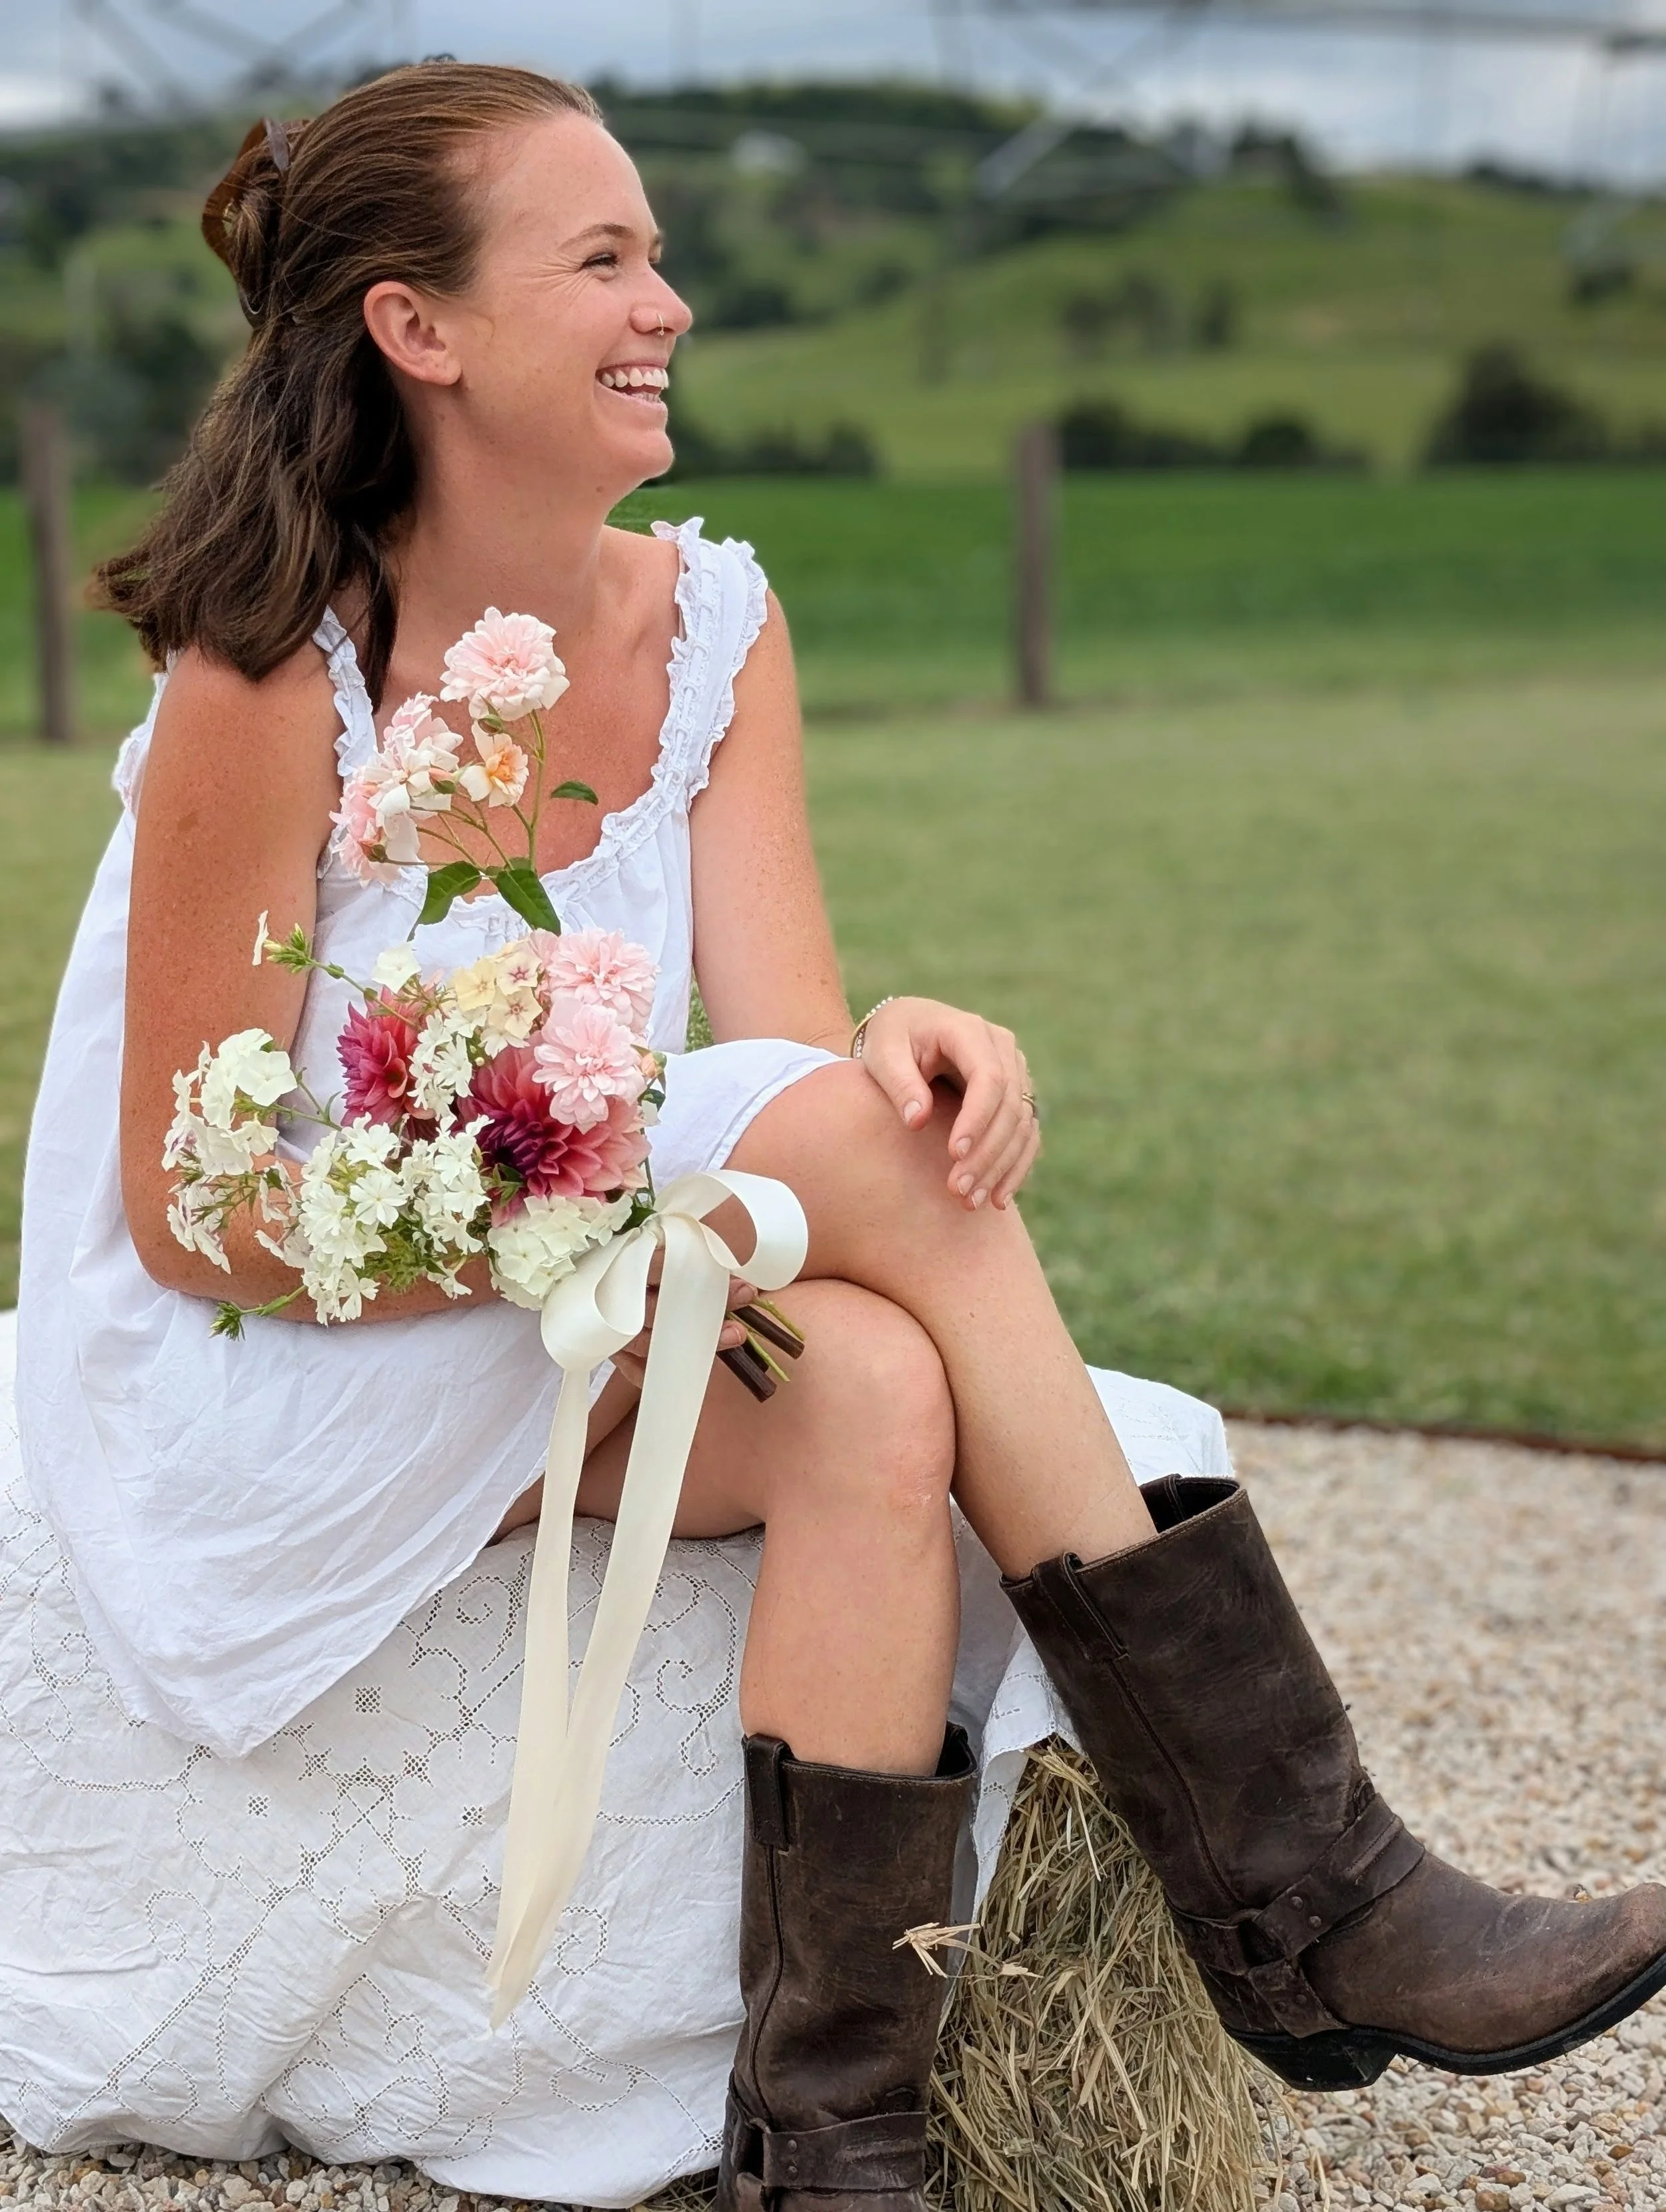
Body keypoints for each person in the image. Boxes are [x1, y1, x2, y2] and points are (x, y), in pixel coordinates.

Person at [5, 59, 1664, 2211]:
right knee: (852, 1218)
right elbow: (199, 1214)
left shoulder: (709, 621)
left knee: (871, 1382)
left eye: (660, 252)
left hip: (556, 1306)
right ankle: (1307, 1892)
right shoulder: (271, 677)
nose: (665, 302)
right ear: (419, 330)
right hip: (284, 1368)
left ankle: (836, 2133)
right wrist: (531, 1207)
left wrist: (895, 1034)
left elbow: (780, 1067)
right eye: (600, 257)